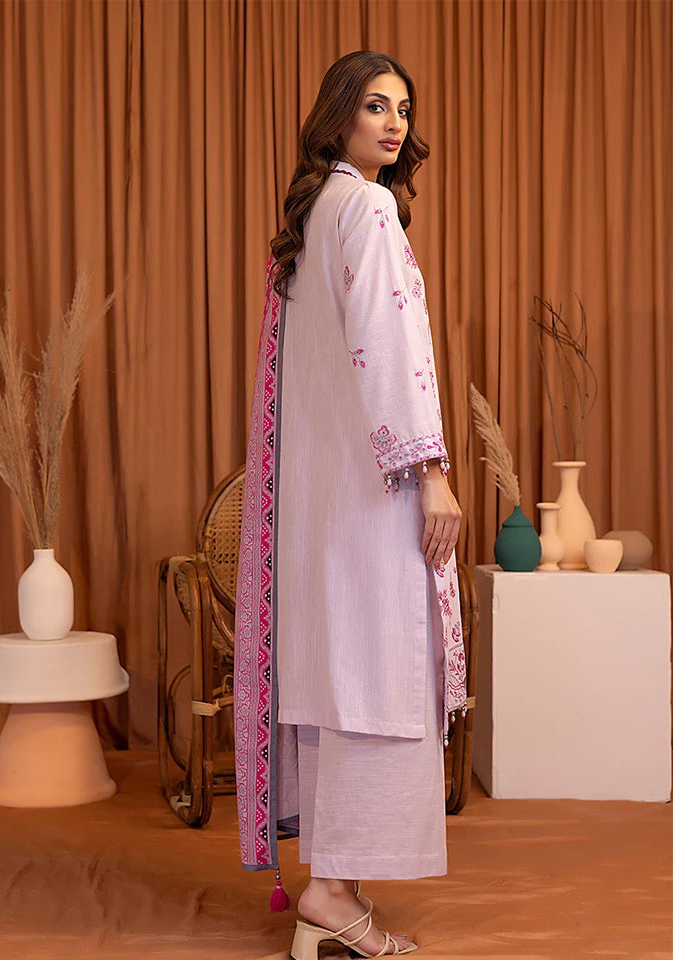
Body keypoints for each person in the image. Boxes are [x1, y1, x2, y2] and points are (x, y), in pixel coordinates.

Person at [234, 51, 467, 958]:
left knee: (346, 675)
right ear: (337, 117)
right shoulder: (365, 209)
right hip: (376, 491)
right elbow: (387, 346)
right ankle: (331, 894)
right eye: (375, 105)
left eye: (403, 107)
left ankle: (334, 887)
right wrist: (430, 469)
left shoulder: (313, 218)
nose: (394, 122)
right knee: (383, 673)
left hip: (322, 504)